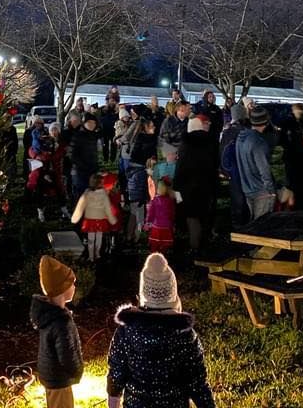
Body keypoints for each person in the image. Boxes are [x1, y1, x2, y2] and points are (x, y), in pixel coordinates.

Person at [106, 253, 215, 408]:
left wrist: (113, 402)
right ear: (173, 294)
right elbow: (196, 380)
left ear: (143, 294)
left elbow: (117, 373)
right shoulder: (185, 335)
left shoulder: (126, 332)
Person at [31, 256, 83, 408]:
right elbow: (67, 353)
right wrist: (76, 371)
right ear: (63, 288)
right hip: (60, 379)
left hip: (51, 376)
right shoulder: (61, 321)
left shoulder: (48, 314)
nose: (74, 287)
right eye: (72, 283)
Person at [172, 114, 218, 254]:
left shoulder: (186, 144)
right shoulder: (212, 143)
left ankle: (194, 246)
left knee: (192, 216)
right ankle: (206, 240)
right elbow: (215, 164)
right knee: (205, 214)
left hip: (188, 186)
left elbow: (181, 168)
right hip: (207, 184)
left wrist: (176, 187)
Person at [235, 106, 274, 220]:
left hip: (247, 187)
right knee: (262, 227)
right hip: (261, 191)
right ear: (265, 121)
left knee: (253, 226)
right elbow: (264, 169)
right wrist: (271, 190)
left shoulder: (241, 137)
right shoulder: (259, 142)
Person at [71, 173, 117, 262]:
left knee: (90, 238)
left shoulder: (87, 193)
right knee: (99, 237)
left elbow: (80, 206)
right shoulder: (104, 194)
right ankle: (97, 253)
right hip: (100, 219)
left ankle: (91, 256)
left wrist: (75, 218)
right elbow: (107, 208)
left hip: (90, 219)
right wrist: (112, 219)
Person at [125, 119, 157, 244]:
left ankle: (130, 235)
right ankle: (136, 236)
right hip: (140, 173)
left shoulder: (138, 138)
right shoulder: (147, 140)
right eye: (152, 125)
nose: (154, 126)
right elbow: (149, 158)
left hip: (134, 172)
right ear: (146, 128)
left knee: (135, 207)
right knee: (139, 207)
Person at [68, 115, 100, 206]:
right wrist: (82, 166)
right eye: (89, 122)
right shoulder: (78, 135)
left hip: (92, 170)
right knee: (80, 196)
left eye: (94, 123)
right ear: (84, 123)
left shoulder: (93, 136)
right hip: (79, 172)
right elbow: (72, 154)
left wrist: (95, 166)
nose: (92, 125)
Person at [144, 178, 177, 253]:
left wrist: (147, 222)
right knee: (164, 245)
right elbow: (172, 214)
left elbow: (151, 213)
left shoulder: (154, 200)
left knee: (154, 245)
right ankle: (162, 258)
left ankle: (154, 258)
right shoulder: (170, 200)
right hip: (167, 226)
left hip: (156, 226)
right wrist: (172, 224)